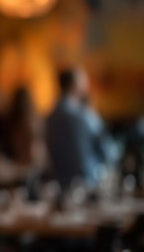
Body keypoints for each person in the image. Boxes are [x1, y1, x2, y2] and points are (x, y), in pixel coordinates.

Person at [45, 67, 116, 196]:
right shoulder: (85, 116)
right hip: (87, 185)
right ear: (76, 85)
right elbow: (108, 152)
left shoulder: (50, 117)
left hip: (58, 187)